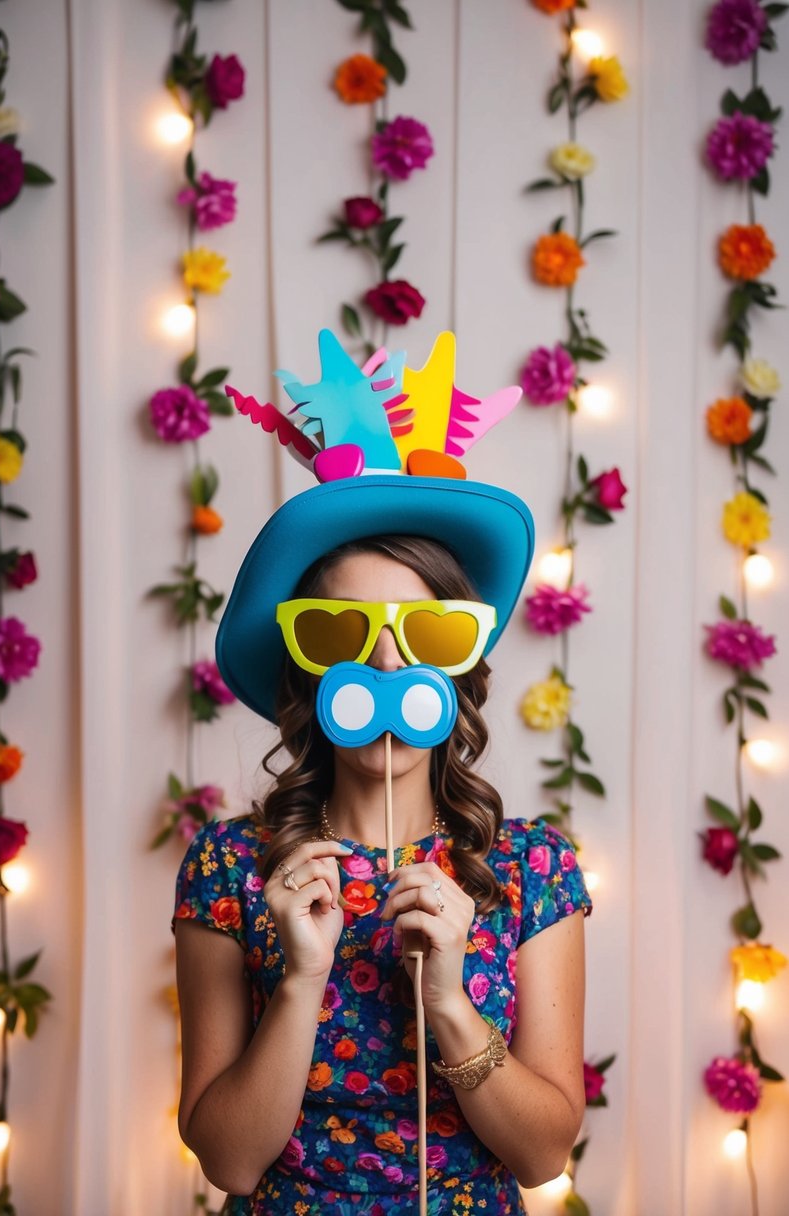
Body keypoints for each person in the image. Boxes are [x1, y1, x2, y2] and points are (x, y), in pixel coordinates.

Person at [172, 332, 592, 1215]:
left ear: (459, 669)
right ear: (306, 669)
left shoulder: (530, 868)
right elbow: (229, 1165)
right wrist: (299, 976)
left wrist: (449, 1004)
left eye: (425, 637)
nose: (388, 666)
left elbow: (544, 1155)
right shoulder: (231, 867)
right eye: (343, 634)